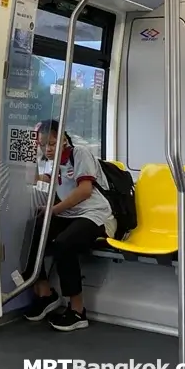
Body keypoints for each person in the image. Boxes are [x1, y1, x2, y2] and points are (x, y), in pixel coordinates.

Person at [22, 119, 116, 331]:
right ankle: (46, 294)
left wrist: (54, 210)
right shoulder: (53, 163)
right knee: (34, 229)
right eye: (43, 144)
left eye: (52, 143)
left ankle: (77, 310)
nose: (48, 148)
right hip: (71, 215)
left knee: (65, 243)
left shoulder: (79, 154)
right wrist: (32, 153)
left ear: (64, 140)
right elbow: (32, 179)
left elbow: (84, 191)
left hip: (96, 215)